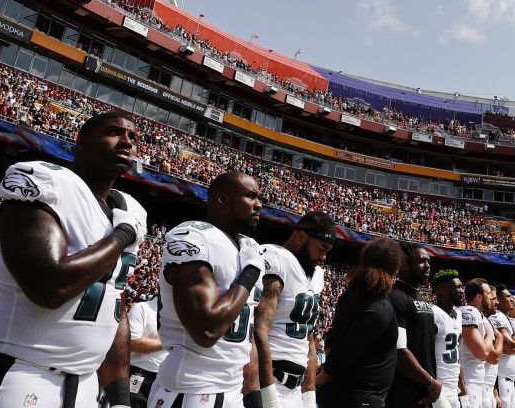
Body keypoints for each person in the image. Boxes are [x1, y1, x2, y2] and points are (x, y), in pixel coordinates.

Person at [0, 111, 149, 408]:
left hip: (86, 383)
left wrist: (120, 398)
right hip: (21, 372)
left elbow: (114, 307)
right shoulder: (44, 180)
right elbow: (49, 288)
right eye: (115, 132)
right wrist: (121, 236)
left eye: (134, 138)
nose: (127, 142)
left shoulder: (130, 209)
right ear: (81, 139)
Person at [150, 170, 265, 408]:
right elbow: (206, 330)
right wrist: (250, 272)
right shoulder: (193, 236)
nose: (259, 205)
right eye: (250, 196)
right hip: (192, 391)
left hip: (231, 387)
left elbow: (246, 338)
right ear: (222, 200)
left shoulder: (248, 247)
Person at [250, 211, 337, 408]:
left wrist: (308, 399)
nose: (324, 257)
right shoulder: (277, 259)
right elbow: (259, 332)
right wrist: (269, 397)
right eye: (321, 248)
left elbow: (309, 342)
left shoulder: (317, 276)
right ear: (300, 237)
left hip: (296, 390)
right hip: (268, 382)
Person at [317, 237, 404, 408]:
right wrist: (316, 380)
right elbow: (342, 357)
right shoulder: (379, 308)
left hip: (337, 394)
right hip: (361, 398)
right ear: (395, 269)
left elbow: (333, 338)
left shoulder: (350, 294)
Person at [388, 244, 441, 408]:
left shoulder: (421, 297)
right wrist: (429, 381)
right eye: (422, 261)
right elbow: (399, 349)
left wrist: (430, 384)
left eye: (429, 261)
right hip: (402, 392)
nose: (427, 266)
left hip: (424, 392)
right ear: (404, 265)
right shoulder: (395, 296)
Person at [460, 278, 502, 408]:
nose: (492, 298)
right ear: (479, 296)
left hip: (478, 380)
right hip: (468, 379)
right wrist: (491, 335)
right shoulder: (468, 312)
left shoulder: (480, 316)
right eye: (488, 293)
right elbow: (482, 353)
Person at [430, 269, 468, 408]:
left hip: (453, 387)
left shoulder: (457, 313)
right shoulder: (433, 313)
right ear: (442, 289)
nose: (462, 290)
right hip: (438, 385)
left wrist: (462, 388)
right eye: (457, 287)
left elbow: (456, 355)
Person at [126, 296, 168, 408]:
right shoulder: (142, 308)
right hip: (140, 374)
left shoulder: (183, 316)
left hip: (165, 380)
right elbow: (133, 343)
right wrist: (169, 342)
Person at [490, 288, 515, 408]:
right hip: (501, 377)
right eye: (508, 296)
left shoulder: (507, 319)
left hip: (510, 378)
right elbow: (510, 347)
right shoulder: (496, 316)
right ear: (498, 299)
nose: (511, 299)